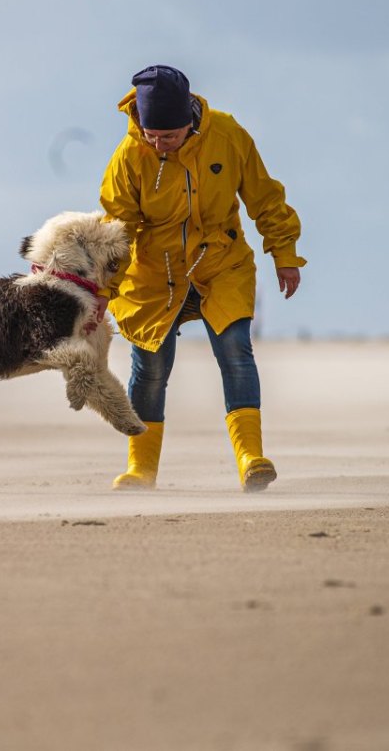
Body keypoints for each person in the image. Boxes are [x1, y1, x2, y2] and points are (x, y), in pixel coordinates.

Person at [96, 65, 306, 492]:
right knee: (150, 368)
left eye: (169, 137)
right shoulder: (129, 156)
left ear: (190, 121)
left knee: (235, 351)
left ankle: (251, 459)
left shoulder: (227, 136)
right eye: (152, 136)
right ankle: (141, 468)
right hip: (154, 273)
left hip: (220, 263)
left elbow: (263, 198)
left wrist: (284, 254)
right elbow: (117, 231)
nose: (160, 144)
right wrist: (103, 290)